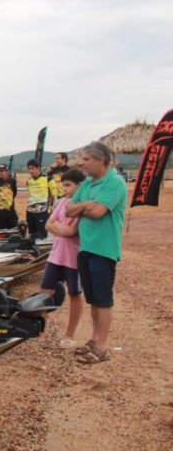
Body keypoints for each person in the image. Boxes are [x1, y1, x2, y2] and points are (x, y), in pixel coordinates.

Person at [66, 142, 127, 364]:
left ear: (100, 160)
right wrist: (86, 205)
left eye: (86, 160)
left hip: (104, 249)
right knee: (93, 299)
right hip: (86, 248)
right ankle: (94, 339)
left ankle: (102, 347)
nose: (82, 164)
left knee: (103, 300)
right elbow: (68, 209)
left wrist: (84, 206)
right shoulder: (88, 183)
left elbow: (98, 212)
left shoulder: (115, 183)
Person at [41, 168, 86, 349]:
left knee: (75, 294)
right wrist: (58, 228)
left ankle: (70, 334)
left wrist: (56, 226)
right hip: (56, 255)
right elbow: (47, 224)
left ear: (79, 185)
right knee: (45, 291)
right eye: (63, 185)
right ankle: (40, 330)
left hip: (73, 257)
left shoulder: (81, 206)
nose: (65, 189)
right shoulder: (62, 203)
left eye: (68, 185)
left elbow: (71, 232)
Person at [26, 158, 49, 239]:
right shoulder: (29, 181)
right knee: (32, 235)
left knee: (41, 235)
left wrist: (50, 208)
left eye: (32, 168)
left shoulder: (47, 179)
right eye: (29, 168)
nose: (30, 171)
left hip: (42, 211)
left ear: (38, 168)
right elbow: (30, 195)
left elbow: (53, 194)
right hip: (30, 211)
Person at [0, 164, 18, 229]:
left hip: (10, 211)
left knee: (13, 230)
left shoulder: (13, 181)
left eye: (2, 171)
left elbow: (14, 194)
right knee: (0, 232)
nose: (1, 173)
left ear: (7, 171)